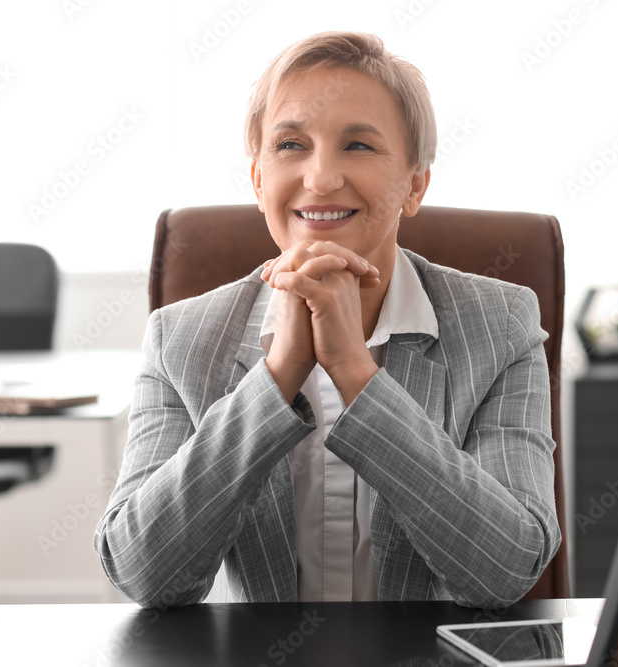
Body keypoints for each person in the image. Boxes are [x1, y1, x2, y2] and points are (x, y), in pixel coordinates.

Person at [94, 31, 560, 609]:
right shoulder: (180, 338)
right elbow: (145, 574)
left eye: (358, 146)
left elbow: (506, 569)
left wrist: (355, 373)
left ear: (414, 184)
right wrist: (278, 373)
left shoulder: (503, 326)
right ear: (259, 179)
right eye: (291, 144)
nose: (319, 178)